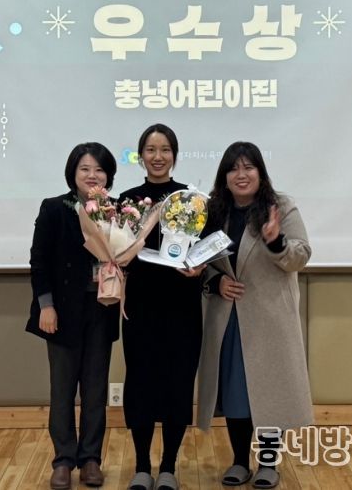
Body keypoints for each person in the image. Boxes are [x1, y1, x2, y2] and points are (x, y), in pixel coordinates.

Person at [197, 141, 313, 489]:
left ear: (260, 172)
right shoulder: (214, 211)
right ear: (224, 176)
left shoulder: (281, 206)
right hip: (227, 316)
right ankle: (238, 460)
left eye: (248, 167)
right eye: (233, 168)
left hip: (268, 317)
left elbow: (301, 255)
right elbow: (198, 259)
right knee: (235, 391)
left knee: (268, 390)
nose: (241, 174)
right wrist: (215, 281)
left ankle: (268, 463)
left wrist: (276, 241)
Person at [26, 142, 120, 490]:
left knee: (95, 389)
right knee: (62, 389)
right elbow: (39, 261)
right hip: (62, 312)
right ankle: (63, 460)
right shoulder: (54, 208)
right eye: (85, 169)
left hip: (102, 308)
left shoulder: (117, 211)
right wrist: (46, 306)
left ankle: (91, 458)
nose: (92, 175)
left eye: (99, 169)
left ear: (108, 175)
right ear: (73, 173)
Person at [119, 124, 203, 490]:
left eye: (165, 149)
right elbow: (118, 251)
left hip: (183, 307)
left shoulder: (190, 199)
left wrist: (199, 268)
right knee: (140, 384)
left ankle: (168, 467)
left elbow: (205, 250)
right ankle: (142, 466)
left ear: (175, 155)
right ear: (141, 156)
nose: (158, 156)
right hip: (140, 306)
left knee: (178, 385)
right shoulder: (127, 200)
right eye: (151, 150)